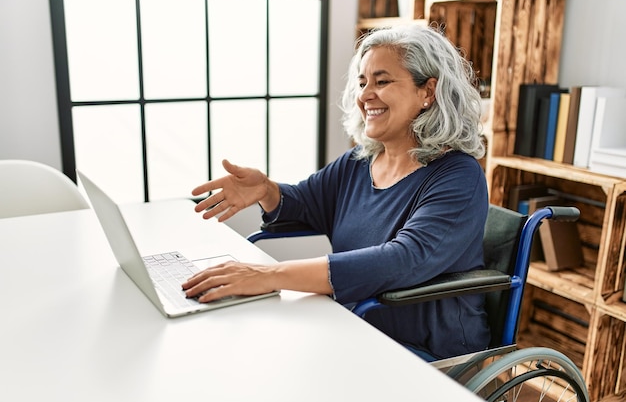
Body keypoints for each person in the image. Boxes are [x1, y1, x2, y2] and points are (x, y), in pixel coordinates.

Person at [182, 24, 490, 360]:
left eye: (382, 81)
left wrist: (269, 275)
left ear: (427, 91)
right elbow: (305, 203)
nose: (364, 95)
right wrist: (266, 190)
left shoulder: (458, 176)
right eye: (362, 82)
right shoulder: (359, 162)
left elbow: (402, 260)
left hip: (424, 350)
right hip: (350, 324)